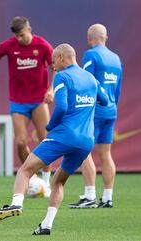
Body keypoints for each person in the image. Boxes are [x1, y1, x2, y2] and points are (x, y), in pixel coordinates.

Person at [0, 44, 108, 235]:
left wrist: (50, 126)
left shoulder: (63, 76)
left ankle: (16, 203)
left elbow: (61, 107)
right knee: (58, 182)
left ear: (61, 57)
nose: (53, 67)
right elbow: (105, 100)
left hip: (64, 135)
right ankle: (46, 226)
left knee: (25, 170)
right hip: (86, 141)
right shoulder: (91, 78)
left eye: (53, 62)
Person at [0, 16, 54, 194]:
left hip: (39, 100)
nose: (20, 39)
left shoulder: (42, 45)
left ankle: (46, 181)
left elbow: (54, 67)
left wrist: (51, 90)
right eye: (17, 36)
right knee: (20, 142)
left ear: (29, 29)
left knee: (46, 141)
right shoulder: (8, 45)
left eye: (22, 35)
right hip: (18, 101)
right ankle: (32, 177)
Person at [69, 24, 122, 209]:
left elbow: (87, 81)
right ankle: (107, 198)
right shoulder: (115, 58)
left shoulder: (91, 55)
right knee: (106, 154)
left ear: (89, 38)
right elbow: (118, 89)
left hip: (95, 111)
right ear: (105, 37)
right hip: (111, 109)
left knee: (85, 152)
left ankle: (90, 196)